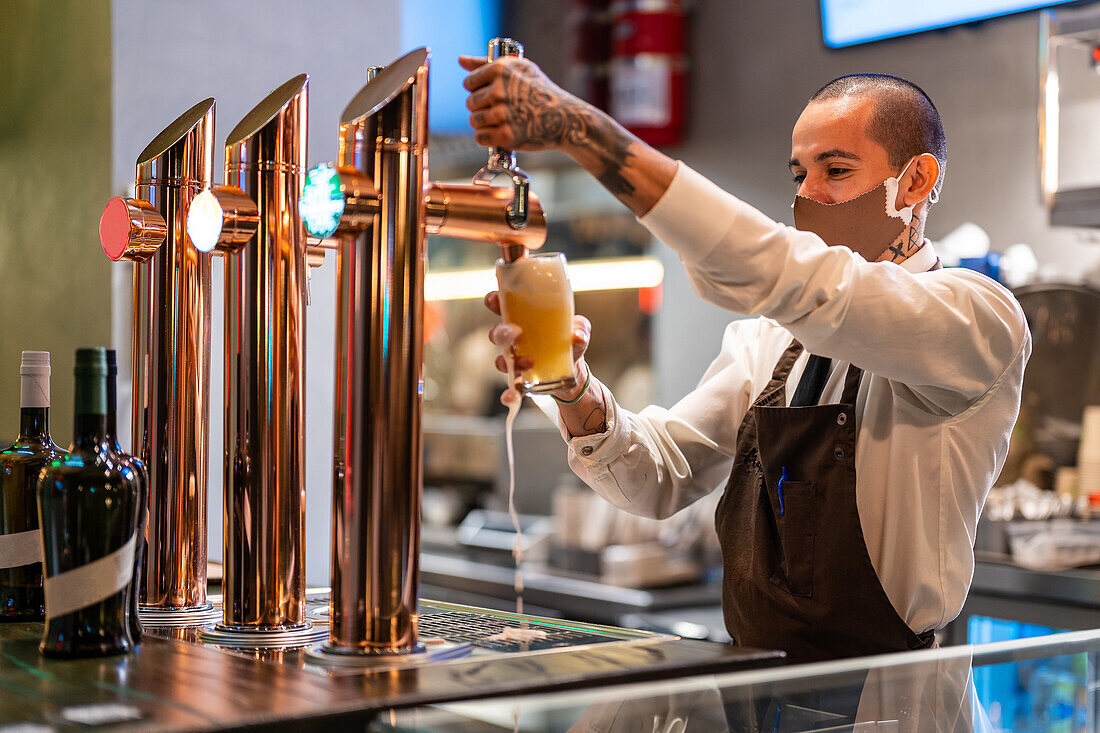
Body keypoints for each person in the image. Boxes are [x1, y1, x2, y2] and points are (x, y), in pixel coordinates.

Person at [461, 55, 1030, 662]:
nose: (807, 194)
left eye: (835, 169)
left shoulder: (976, 319)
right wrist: (571, 387)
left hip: (892, 702)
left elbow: (798, 279)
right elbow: (661, 476)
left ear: (914, 183)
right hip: (758, 691)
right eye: (798, 174)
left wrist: (584, 131)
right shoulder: (768, 342)